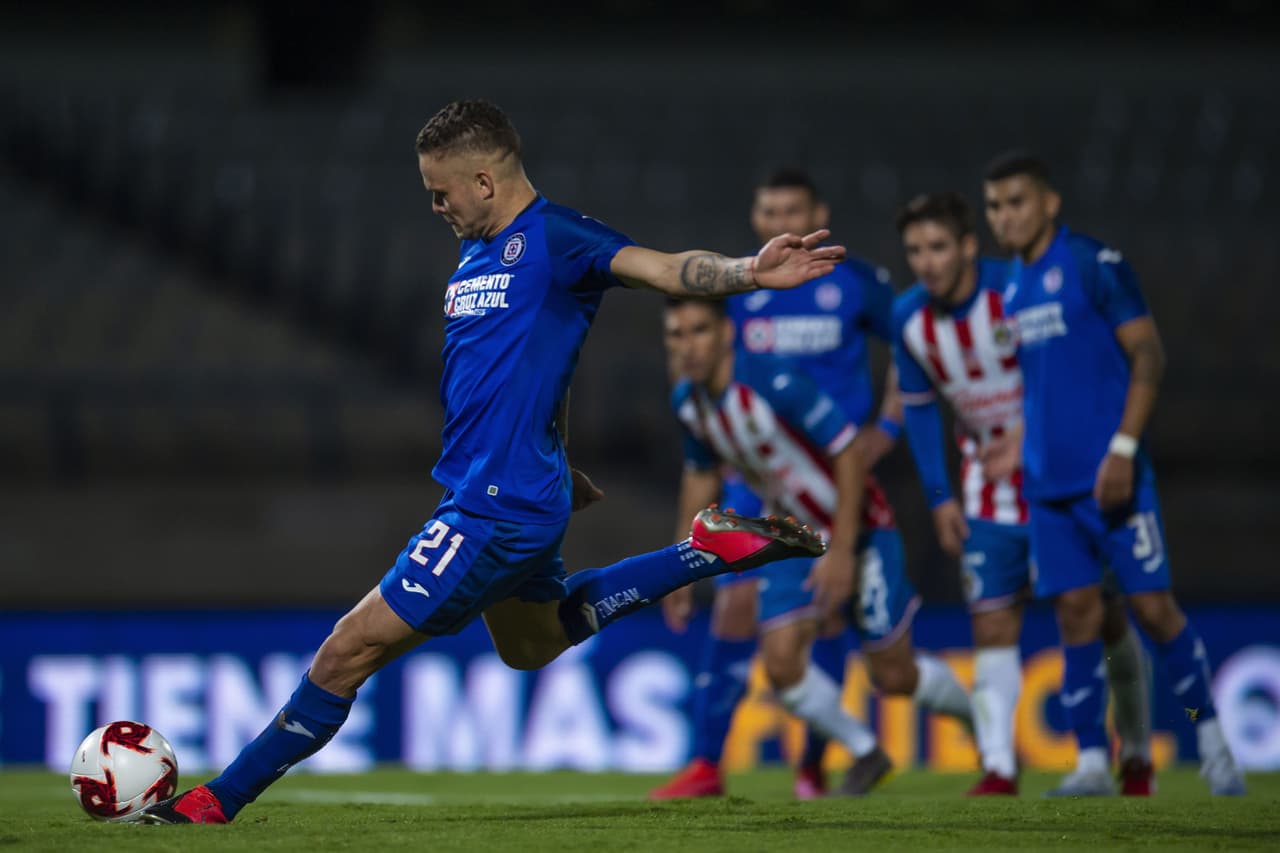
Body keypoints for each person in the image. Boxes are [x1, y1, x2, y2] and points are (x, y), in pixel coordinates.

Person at [136, 99, 843, 825]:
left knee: (345, 651)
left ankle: (215, 801)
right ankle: (702, 551)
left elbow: (664, 269)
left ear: (483, 179)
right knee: (532, 644)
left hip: (492, 508)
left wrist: (750, 272)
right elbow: (534, 371)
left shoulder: (559, 239)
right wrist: (558, 460)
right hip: (516, 490)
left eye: (440, 191)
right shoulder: (476, 253)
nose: (435, 205)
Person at [981, 151, 1245, 796]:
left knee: (1153, 611)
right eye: (993, 205)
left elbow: (1148, 355)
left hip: (1112, 476)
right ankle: (1093, 761)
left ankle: (1209, 740)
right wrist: (1022, 440)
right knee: (1076, 614)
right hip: (1048, 488)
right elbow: (1048, 383)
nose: (1004, 216)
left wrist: (1124, 447)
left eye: (1016, 201)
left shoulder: (1093, 264)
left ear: (1049, 203)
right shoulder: (1011, 288)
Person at [650, 169, 907, 801]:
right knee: (735, 601)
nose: (779, 221)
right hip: (754, 474)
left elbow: (914, 339)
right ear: (755, 218)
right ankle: (707, 762)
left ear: (818, 211)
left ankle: (815, 763)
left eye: (792, 209)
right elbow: (700, 453)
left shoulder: (853, 283)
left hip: (829, 469)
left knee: (825, 614)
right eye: (768, 211)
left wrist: (892, 422)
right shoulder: (740, 290)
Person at [658, 296, 974, 800]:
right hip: (794, 535)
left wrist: (844, 551)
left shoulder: (772, 382)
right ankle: (868, 753)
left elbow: (848, 453)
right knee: (782, 664)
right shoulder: (688, 403)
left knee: (894, 675)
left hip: (862, 528)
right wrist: (679, 564)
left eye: (698, 330)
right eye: (675, 334)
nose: (687, 345)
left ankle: (979, 723)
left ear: (726, 335)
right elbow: (700, 476)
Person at [892, 191, 1154, 796]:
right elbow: (923, 411)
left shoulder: (1017, 292)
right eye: (914, 250)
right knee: (991, 625)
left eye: (937, 247)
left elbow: (1074, 370)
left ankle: (1135, 754)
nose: (926, 261)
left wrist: (1028, 432)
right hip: (985, 492)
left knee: (1102, 618)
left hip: (1061, 478)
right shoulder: (909, 319)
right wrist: (940, 495)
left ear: (967, 246)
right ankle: (999, 766)